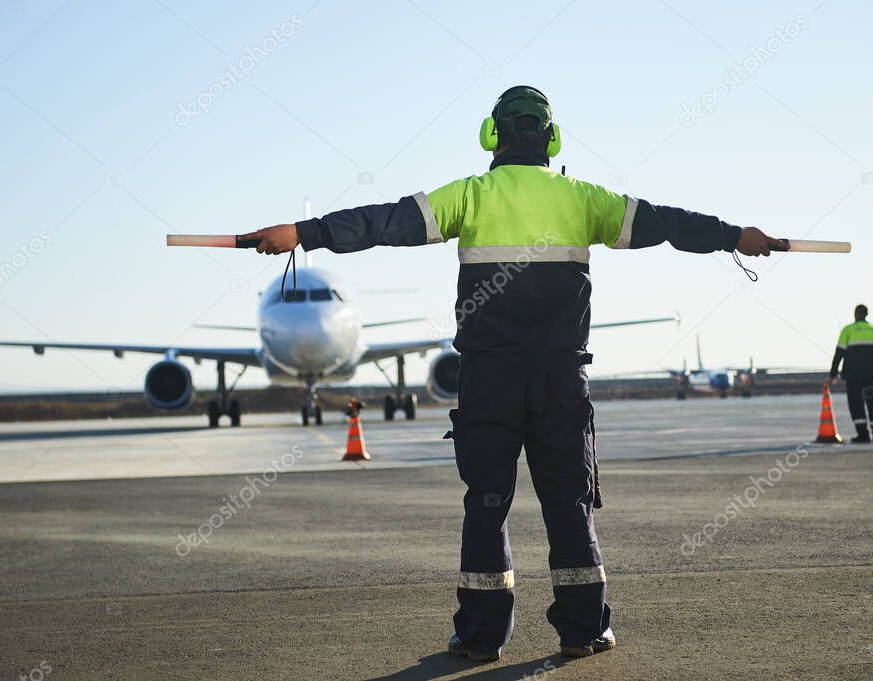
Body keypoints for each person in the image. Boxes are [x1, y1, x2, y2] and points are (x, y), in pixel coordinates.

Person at [242, 85, 787, 661]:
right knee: (568, 503)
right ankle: (583, 631)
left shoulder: (471, 196)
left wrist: (303, 233)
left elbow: (384, 222)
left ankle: (479, 639)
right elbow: (668, 223)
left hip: (489, 381)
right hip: (559, 382)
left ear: (491, 137)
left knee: (486, 503)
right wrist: (734, 237)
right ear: (552, 139)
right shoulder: (583, 199)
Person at [828, 304, 873, 443]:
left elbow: (839, 354)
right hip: (870, 376)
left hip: (853, 375)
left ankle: (863, 435)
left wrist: (833, 374)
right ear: (867, 314)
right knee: (871, 402)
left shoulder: (848, 330)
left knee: (855, 404)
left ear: (855, 314)